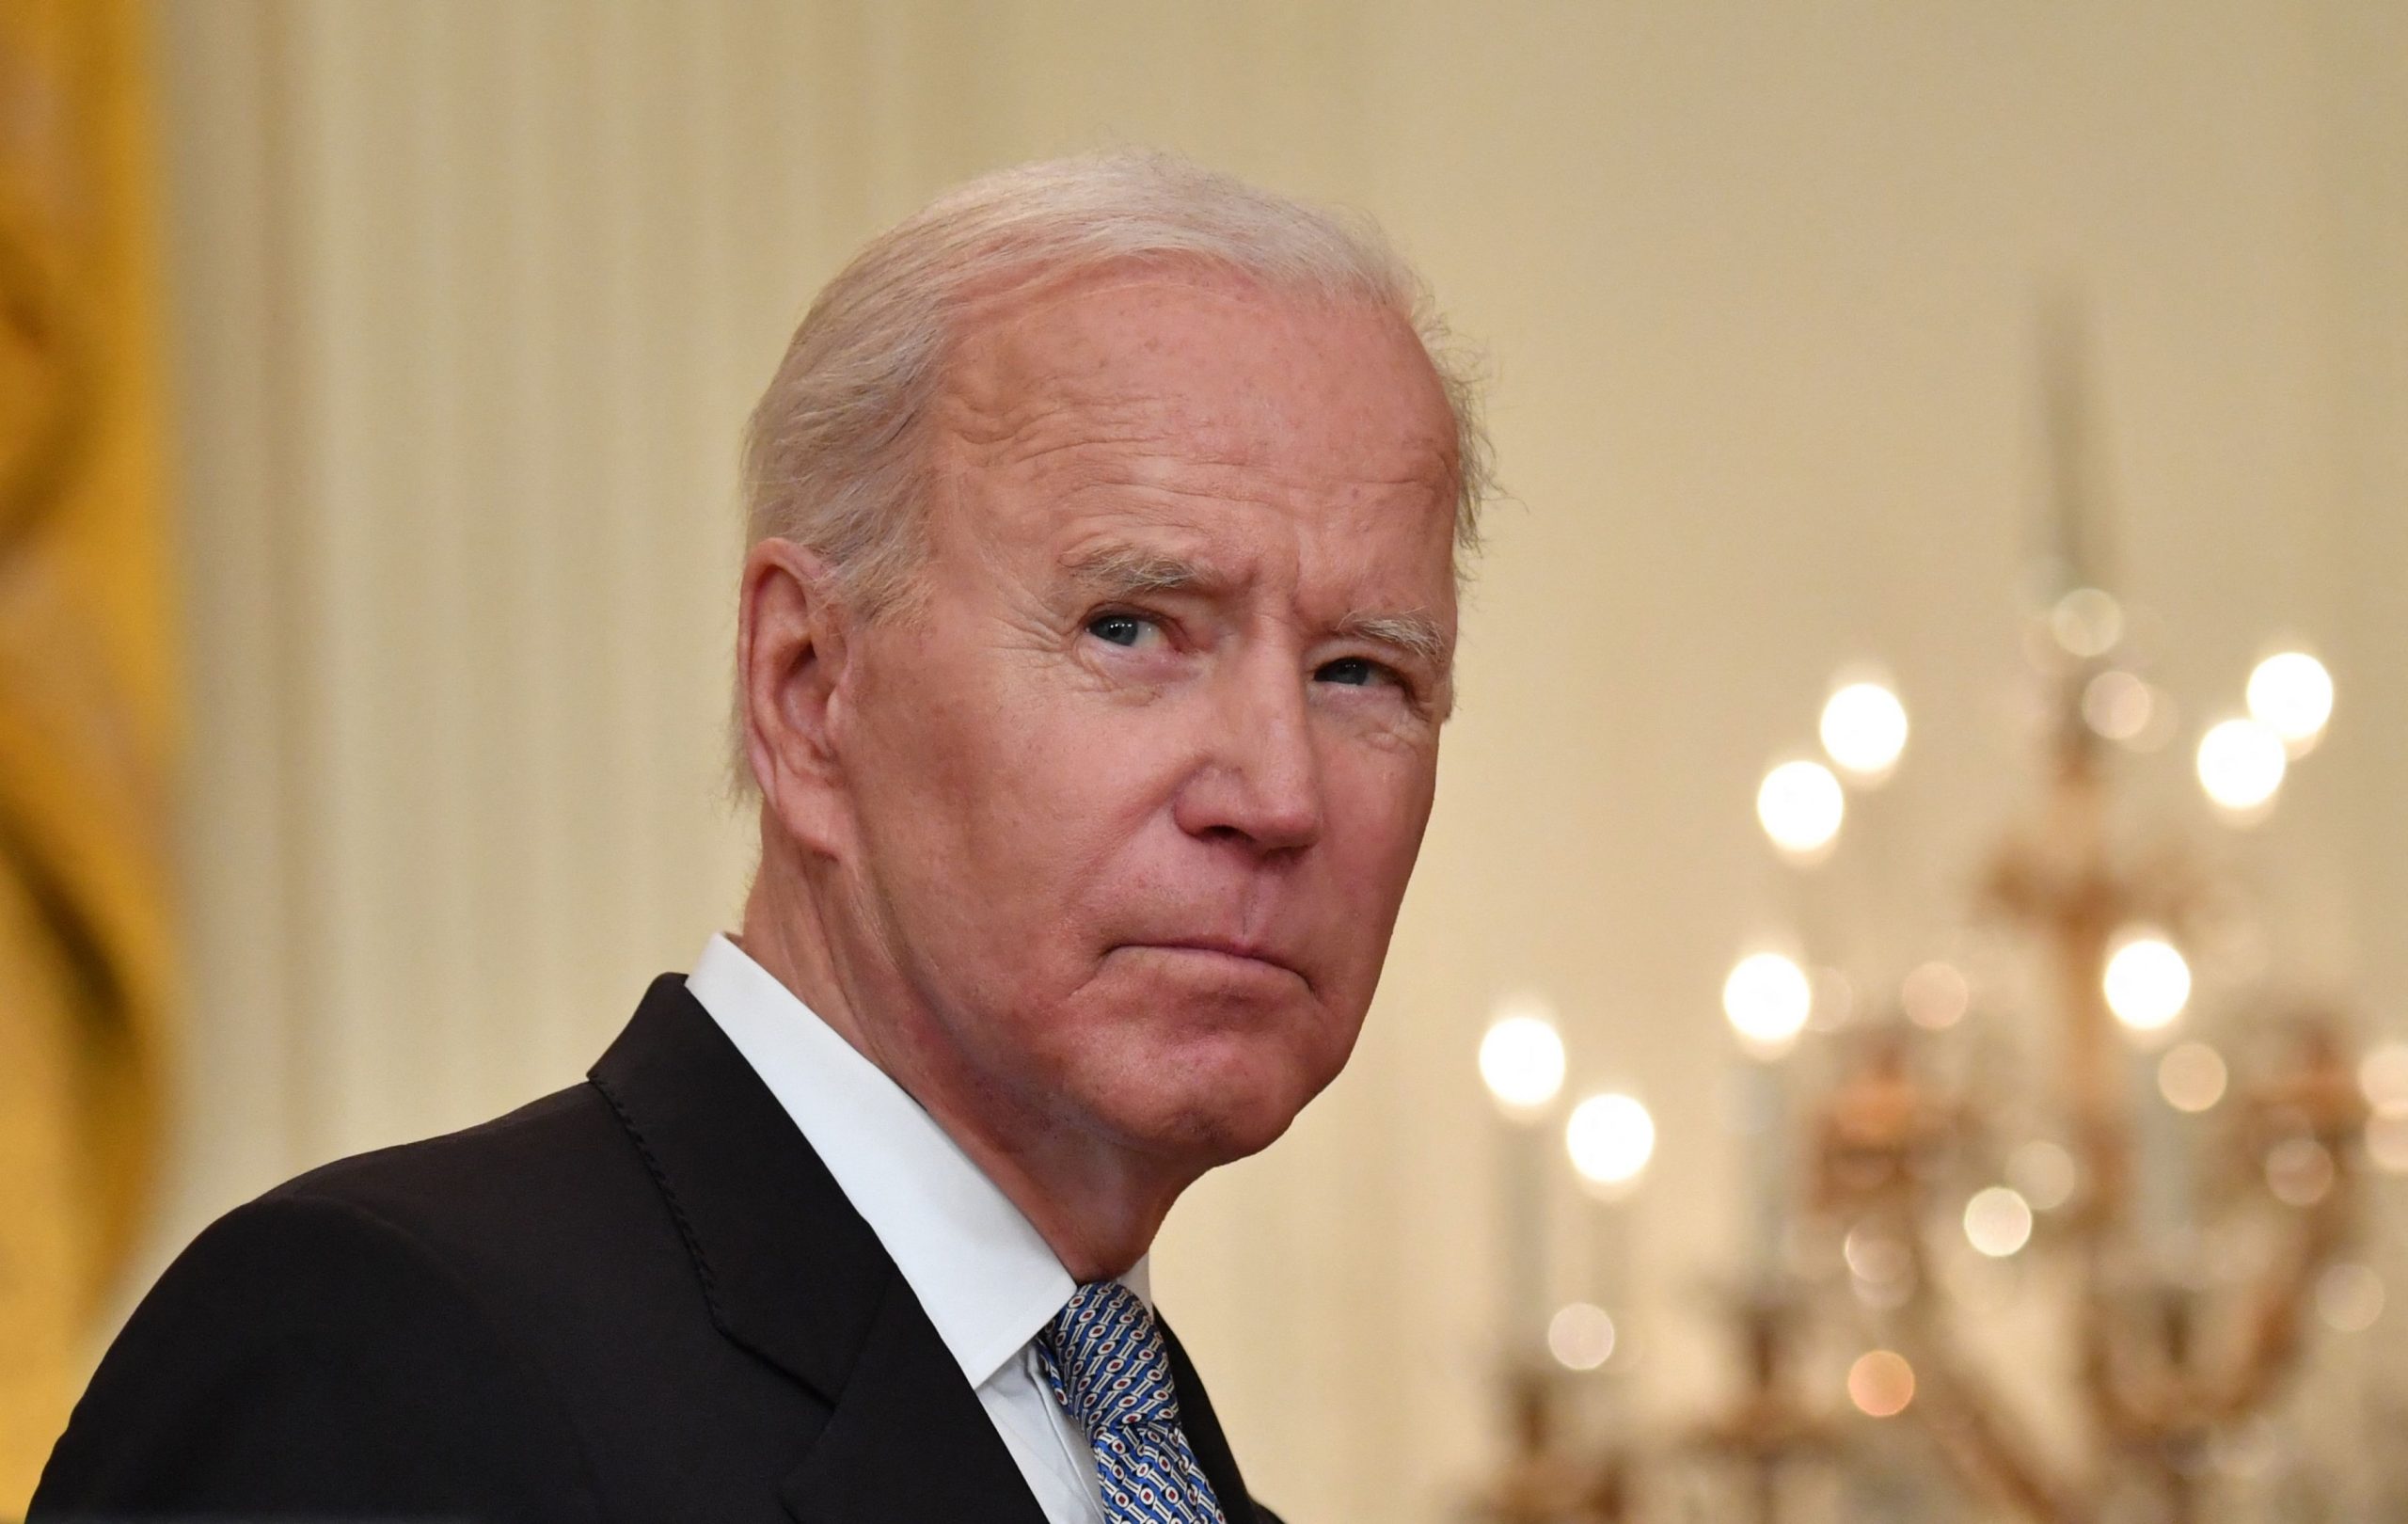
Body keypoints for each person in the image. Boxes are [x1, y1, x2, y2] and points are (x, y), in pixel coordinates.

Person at [33, 150, 1488, 1524]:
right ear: (807, 691)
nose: (1279, 796)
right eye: (1134, 629)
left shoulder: (1149, 1463)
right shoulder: (374, 1359)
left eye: (1363, 671)